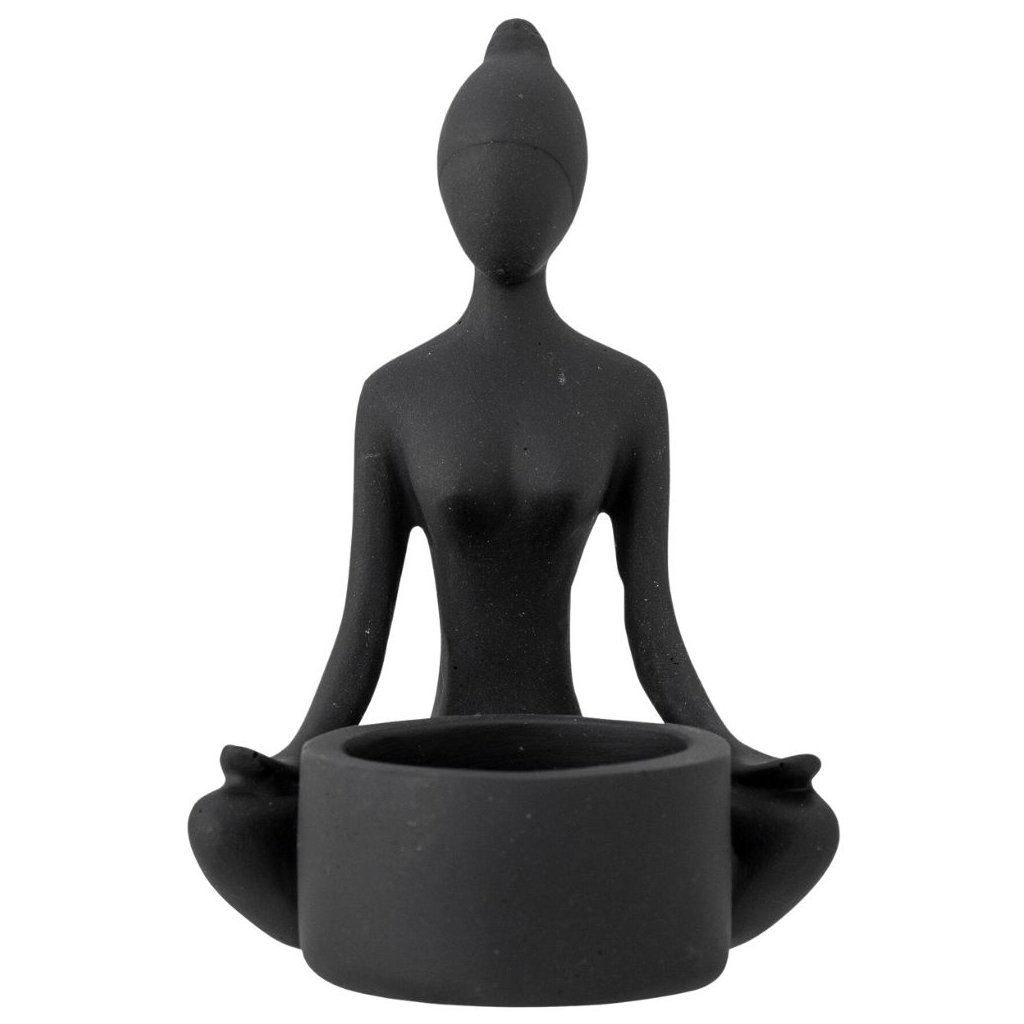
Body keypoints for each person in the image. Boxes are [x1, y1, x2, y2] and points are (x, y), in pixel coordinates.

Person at [189, 18, 838, 950]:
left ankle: (455, 931)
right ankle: (564, 934)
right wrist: (290, 761)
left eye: (533, 176)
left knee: (805, 828)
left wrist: (738, 754)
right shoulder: (395, 396)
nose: (501, 200)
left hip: (580, 762)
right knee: (222, 829)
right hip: (429, 772)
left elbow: (652, 622)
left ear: (572, 196)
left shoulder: (627, 395)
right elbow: (362, 626)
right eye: (477, 176)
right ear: (442, 189)